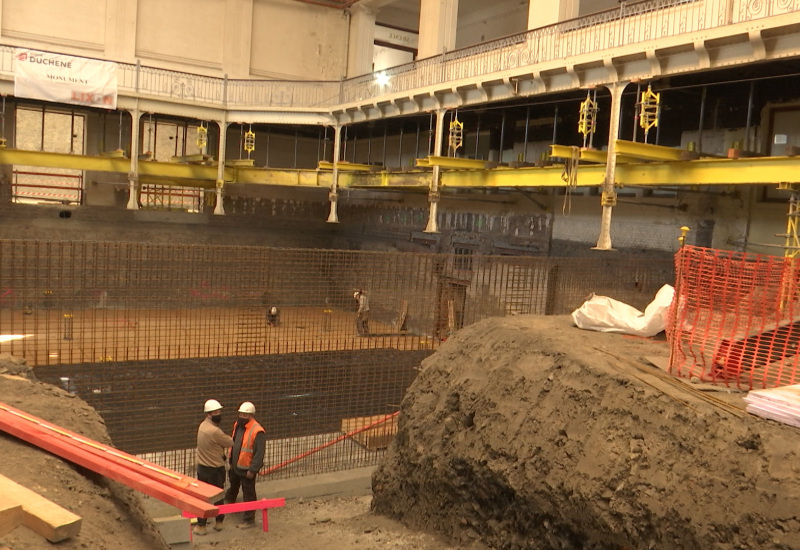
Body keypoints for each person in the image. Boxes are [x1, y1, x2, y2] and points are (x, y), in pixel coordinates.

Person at [194, 399, 234, 536]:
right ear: (209, 414)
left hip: (202, 469)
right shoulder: (214, 431)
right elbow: (230, 442)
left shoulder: (202, 426)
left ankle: (201, 525)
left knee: (203, 498)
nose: (219, 414)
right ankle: (219, 522)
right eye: (216, 412)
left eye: (219, 411)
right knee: (217, 497)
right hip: (215, 470)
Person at [224, 401, 266, 529]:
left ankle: (249, 520)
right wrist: (231, 461)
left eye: (245, 415)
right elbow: (235, 442)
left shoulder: (257, 431)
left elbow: (259, 454)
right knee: (234, 487)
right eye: (241, 414)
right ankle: (229, 505)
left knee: (249, 493)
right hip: (236, 466)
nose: (242, 417)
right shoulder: (238, 425)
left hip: (247, 468)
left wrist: (253, 470)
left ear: (251, 415)